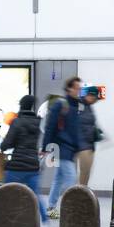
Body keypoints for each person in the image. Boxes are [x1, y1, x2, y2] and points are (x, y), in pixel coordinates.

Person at [0, 94, 47, 224]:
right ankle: (46, 223)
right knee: (36, 196)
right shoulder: (37, 122)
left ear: (21, 105)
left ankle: (2, 220)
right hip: (33, 165)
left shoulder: (17, 122)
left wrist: (2, 146)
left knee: (5, 193)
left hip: (16, 167)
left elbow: (7, 143)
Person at [43, 77, 84, 217]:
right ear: (69, 89)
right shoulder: (60, 104)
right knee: (71, 178)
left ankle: (51, 207)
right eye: (77, 88)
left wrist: (78, 147)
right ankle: (71, 209)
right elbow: (50, 127)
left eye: (80, 88)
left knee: (59, 178)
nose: (79, 91)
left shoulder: (76, 106)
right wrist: (45, 147)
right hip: (61, 148)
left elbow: (75, 130)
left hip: (70, 149)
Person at [76, 84, 102, 187]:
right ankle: (79, 194)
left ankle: (83, 192)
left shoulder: (88, 107)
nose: (96, 100)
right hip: (83, 145)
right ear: (90, 95)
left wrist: (96, 131)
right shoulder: (79, 105)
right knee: (84, 172)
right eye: (95, 98)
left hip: (89, 144)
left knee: (86, 173)